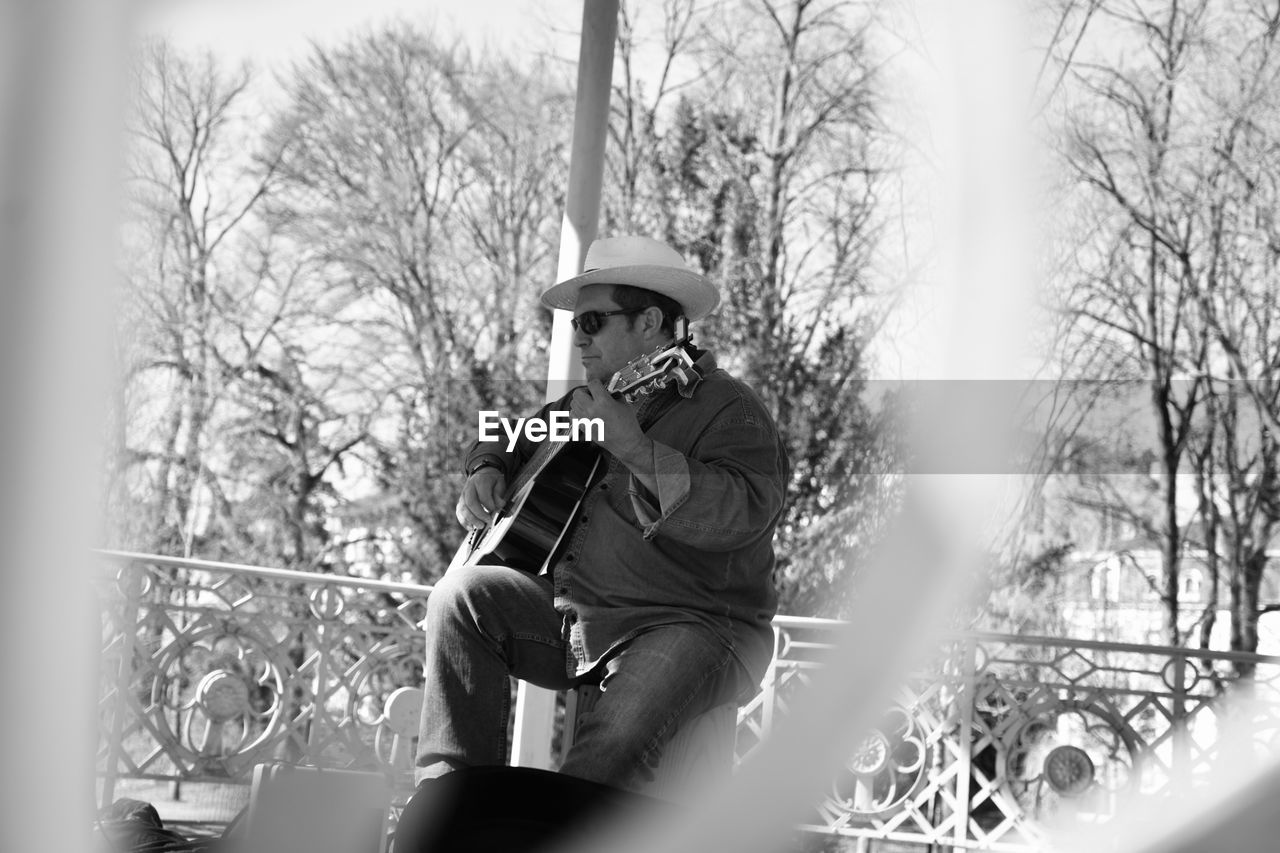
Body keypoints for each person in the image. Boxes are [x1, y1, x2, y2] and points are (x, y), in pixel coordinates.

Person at [414, 235, 789, 792]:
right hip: (580, 616)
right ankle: (451, 809)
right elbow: (503, 434)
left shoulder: (734, 409)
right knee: (459, 597)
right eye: (575, 325)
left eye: (593, 323)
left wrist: (636, 449)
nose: (578, 338)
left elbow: (744, 512)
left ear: (651, 321)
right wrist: (485, 466)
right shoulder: (584, 404)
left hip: (697, 623)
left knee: (604, 752)